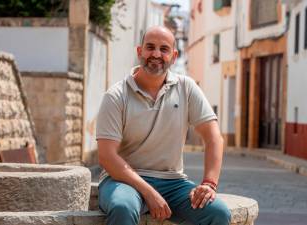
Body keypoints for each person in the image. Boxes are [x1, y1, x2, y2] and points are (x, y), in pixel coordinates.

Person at [96, 26, 231, 225]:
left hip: (173, 182)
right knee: (123, 207)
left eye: (164, 49)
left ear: (174, 56)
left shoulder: (187, 88)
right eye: (150, 47)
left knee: (218, 213)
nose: (156, 54)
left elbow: (213, 138)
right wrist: (149, 192)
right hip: (122, 181)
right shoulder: (116, 96)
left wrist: (209, 184)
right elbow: (107, 156)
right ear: (139, 51)